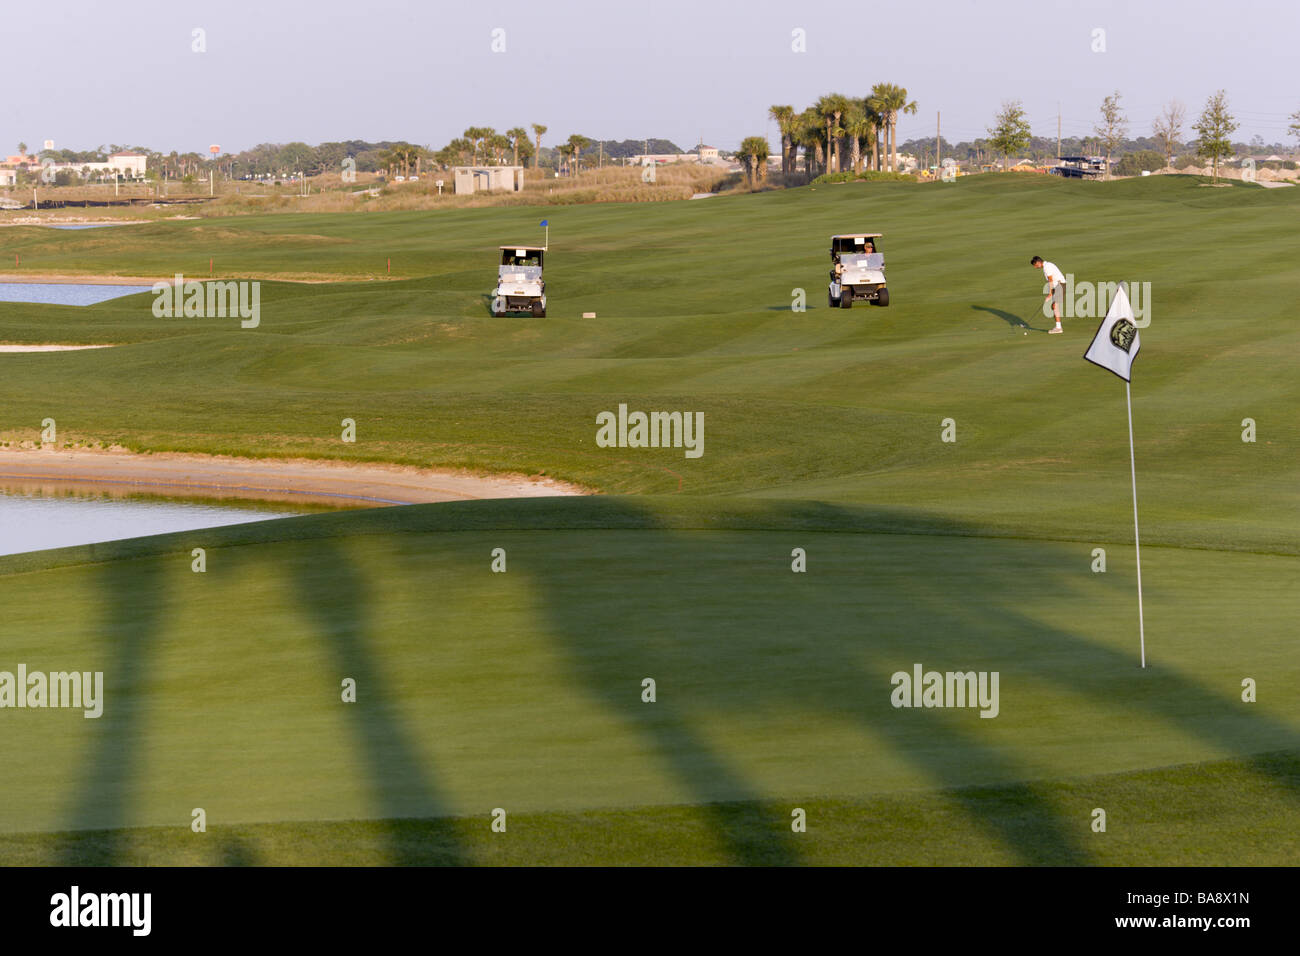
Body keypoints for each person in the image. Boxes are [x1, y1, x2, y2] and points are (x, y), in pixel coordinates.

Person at [1031, 255, 1066, 333]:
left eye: (1035, 265)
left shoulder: (1047, 267)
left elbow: (1050, 280)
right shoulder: (1046, 266)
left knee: (1055, 306)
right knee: (1054, 306)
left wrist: (1050, 294)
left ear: (1038, 262)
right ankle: (1058, 327)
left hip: (1060, 285)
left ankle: (1059, 328)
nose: (1036, 267)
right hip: (1057, 286)